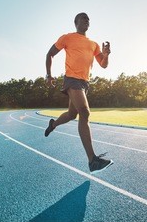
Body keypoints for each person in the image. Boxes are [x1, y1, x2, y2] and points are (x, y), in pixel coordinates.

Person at [45, 12, 113, 174]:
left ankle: (52, 124)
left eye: (88, 19)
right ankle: (92, 161)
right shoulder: (67, 38)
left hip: (84, 83)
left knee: (71, 115)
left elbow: (103, 65)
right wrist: (48, 74)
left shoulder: (94, 44)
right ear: (76, 23)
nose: (87, 21)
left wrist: (106, 55)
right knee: (85, 112)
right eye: (83, 19)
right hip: (71, 79)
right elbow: (50, 54)